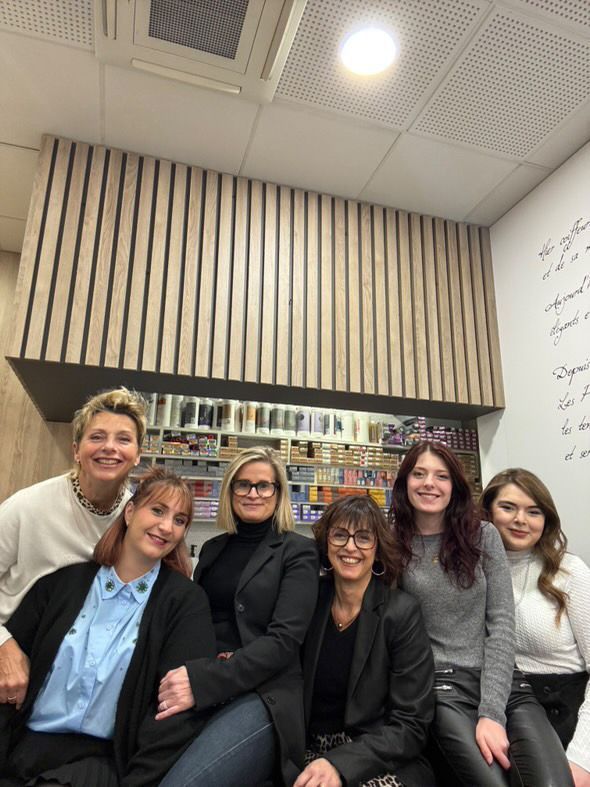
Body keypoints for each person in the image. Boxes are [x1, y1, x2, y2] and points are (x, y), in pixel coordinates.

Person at [0, 467, 216, 787]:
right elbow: (8, 673)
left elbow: (175, 714)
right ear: (130, 511)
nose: (166, 526)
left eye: (179, 520)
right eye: (157, 510)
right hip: (23, 746)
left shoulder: (185, 604)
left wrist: (138, 779)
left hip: (100, 762)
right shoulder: (63, 584)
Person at [389, 441, 573, 787]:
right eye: (419, 473)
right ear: (405, 481)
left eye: (441, 476)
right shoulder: (392, 542)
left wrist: (491, 711)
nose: (430, 483)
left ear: (455, 486)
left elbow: (502, 624)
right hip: (441, 687)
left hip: (504, 684)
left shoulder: (482, 535)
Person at [157, 446, 319, 787]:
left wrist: (209, 678)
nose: (253, 493)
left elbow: (283, 642)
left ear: (278, 493)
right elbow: (193, 619)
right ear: (230, 491)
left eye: (264, 485)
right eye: (242, 485)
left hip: (263, 694)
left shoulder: (298, 551)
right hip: (201, 681)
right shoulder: (214, 548)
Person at [0, 386, 146, 709]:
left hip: (76, 681)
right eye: (97, 437)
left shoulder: (138, 521)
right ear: (76, 450)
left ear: (137, 454)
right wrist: (3, 645)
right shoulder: (27, 508)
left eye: (123, 439)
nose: (110, 447)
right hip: (13, 656)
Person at [294, 495, 435, 787]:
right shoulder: (309, 601)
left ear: (378, 548)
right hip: (309, 752)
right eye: (340, 535)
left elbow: (411, 724)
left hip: (377, 755)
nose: (350, 546)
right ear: (326, 543)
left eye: (363, 537)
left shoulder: (401, 612)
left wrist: (341, 762)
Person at [481, 468, 590, 787]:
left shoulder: (569, 572)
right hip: (506, 709)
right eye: (508, 508)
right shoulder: (473, 574)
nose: (520, 520)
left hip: (569, 714)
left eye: (533, 511)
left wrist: (582, 758)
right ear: (487, 511)